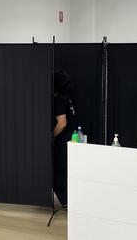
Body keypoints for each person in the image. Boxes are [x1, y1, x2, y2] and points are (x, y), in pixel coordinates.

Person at [53, 69, 76, 208]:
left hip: (64, 140)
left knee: (59, 170)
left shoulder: (59, 100)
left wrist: (50, 136)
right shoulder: (67, 98)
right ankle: (71, 199)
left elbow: (62, 124)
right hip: (73, 138)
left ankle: (66, 201)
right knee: (68, 170)